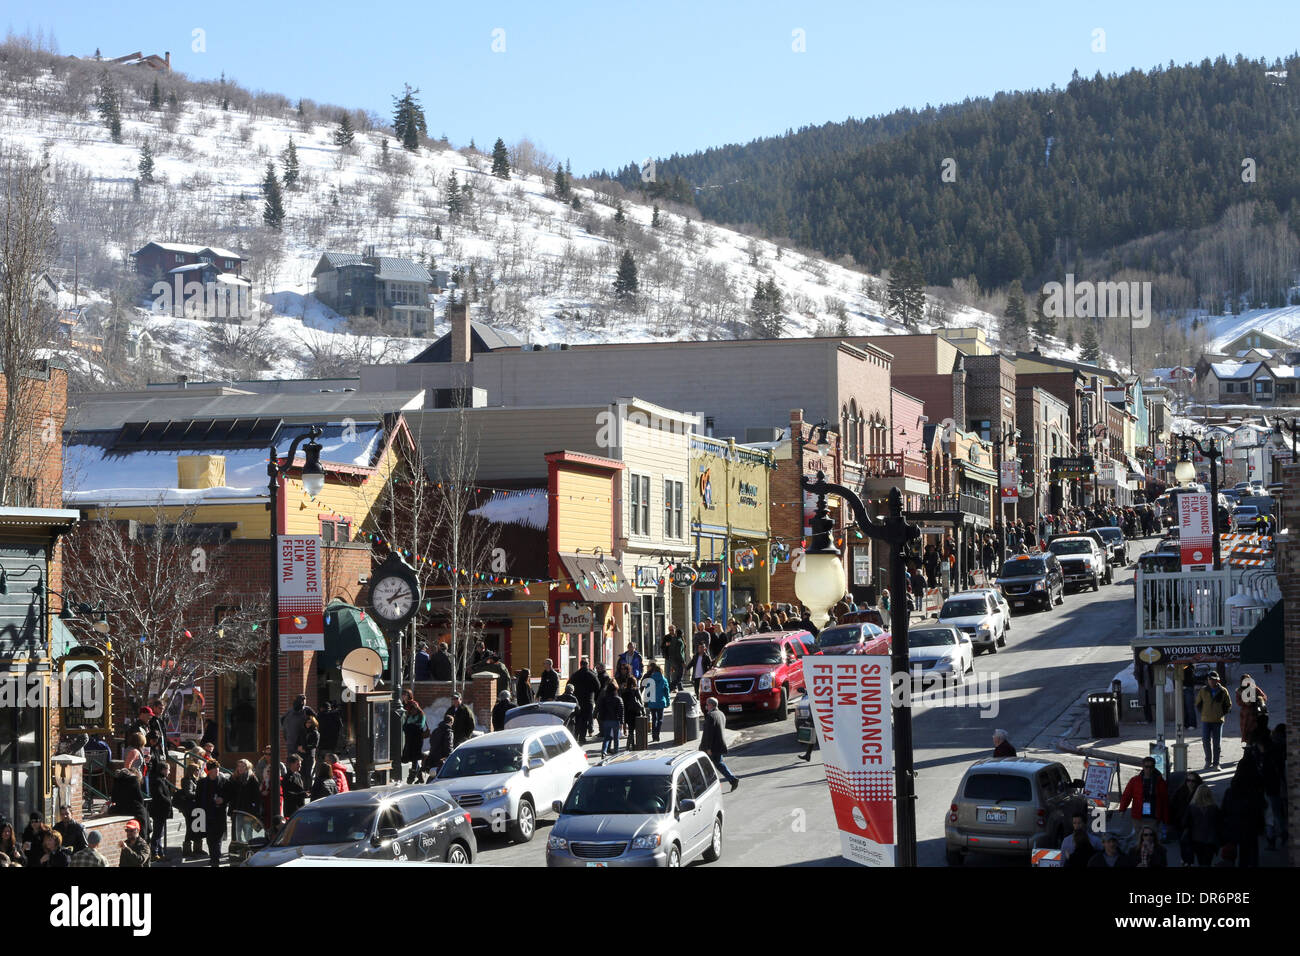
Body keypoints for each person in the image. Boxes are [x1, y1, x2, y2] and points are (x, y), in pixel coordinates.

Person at [1195, 671, 1232, 769]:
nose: (1211, 681)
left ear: (1217, 680)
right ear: (1208, 680)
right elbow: (1198, 703)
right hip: (1206, 720)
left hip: (1218, 721)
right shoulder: (1203, 690)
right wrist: (1203, 712)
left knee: (1217, 743)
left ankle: (1216, 763)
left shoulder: (1223, 690)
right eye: (1210, 679)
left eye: (1213, 680)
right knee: (1205, 741)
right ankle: (1208, 761)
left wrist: (1221, 713)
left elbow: (1228, 704)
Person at [700, 697, 739, 791]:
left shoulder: (711, 716)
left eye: (707, 704)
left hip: (711, 747)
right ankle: (732, 779)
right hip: (719, 745)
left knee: (704, 765)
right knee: (718, 763)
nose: (706, 707)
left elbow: (709, 733)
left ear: (711, 705)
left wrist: (708, 748)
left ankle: (709, 785)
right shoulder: (721, 714)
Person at [196, 760, 229, 867]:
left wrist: (223, 799)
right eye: (214, 771)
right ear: (209, 771)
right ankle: (213, 857)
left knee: (218, 838)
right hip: (206, 814)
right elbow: (198, 798)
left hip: (219, 814)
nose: (217, 773)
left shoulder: (224, 781)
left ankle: (215, 859)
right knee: (210, 838)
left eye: (218, 771)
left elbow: (230, 794)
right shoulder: (202, 783)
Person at [1184, 784, 1222, 866]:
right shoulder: (1214, 808)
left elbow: (1185, 823)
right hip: (1210, 839)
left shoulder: (1191, 807)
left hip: (1197, 839)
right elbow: (1219, 823)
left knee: (1200, 860)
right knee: (1208, 861)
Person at [109, 767, 149, 844]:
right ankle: (145, 838)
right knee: (144, 813)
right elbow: (140, 797)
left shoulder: (117, 780)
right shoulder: (134, 780)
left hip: (120, 808)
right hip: (134, 807)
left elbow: (113, 799)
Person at [147, 753, 174, 861]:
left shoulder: (162, 780)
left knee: (160, 832)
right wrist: (168, 802)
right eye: (168, 770)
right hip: (159, 810)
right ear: (163, 770)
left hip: (161, 810)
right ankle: (155, 853)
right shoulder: (158, 781)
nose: (169, 772)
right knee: (158, 832)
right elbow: (159, 795)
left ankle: (160, 852)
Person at [570, 659, 601, 744]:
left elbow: (569, 684)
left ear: (580, 665)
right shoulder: (592, 675)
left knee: (578, 718)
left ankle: (576, 735)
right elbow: (598, 686)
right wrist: (592, 692)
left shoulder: (575, 674)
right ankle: (582, 737)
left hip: (578, 700)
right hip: (588, 700)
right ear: (587, 664)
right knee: (585, 719)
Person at [641, 661, 670, 744]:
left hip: (652, 702)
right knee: (660, 719)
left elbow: (648, 692)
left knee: (654, 718)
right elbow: (666, 692)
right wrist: (668, 702)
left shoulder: (650, 679)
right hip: (661, 701)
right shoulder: (664, 680)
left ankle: (654, 736)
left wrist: (646, 701)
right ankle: (657, 733)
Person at [1236, 675, 1268, 745]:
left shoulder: (1255, 688)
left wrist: (1258, 699)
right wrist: (1245, 702)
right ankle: (1248, 748)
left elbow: (1264, 697)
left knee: (1254, 733)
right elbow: (1238, 702)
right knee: (1246, 733)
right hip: (1245, 716)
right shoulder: (1239, 690)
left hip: (1255, 715)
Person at [401, 697, 427, 783]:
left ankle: (411, 777)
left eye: (414, 708)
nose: (412, 710)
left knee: (415, 757)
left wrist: (410, 726)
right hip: (409, 739)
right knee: (411, 757)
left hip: (417, 740)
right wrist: (411, 726)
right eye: (411, 708)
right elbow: (404, 727)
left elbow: (420, 726)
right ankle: (420, 777)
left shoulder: (421, 715)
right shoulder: (409, 715)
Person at [422, 712, 455, 777]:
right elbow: (449, 746)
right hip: (442, 759)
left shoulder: (435, 730)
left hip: (433, 757)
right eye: (452, 723)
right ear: (451, 722)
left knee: (434, 776)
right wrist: (451, 757)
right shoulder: (448, 732)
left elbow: (431, 742)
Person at [596, 682, 624, 757]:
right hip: (615, 720)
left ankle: (604, 751)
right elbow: (621, 712)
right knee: (616, 738)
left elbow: (601, 709)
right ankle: (616, 751)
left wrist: (601, 718)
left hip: (606, 720)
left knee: (607, 737)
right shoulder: (618, 699)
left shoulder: (604, 699)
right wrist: (622, 722)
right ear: (616, 690)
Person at [298, 715, 320, 787]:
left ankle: (309, 789)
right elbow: (298, 741)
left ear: (313, 723)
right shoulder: (302, 731)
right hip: (301, 754)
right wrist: (299, 747)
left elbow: (314, 745)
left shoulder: (315, 733)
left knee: (308, 773)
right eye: (307, 722)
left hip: (309, 755)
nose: (308, 724)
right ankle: (303, 788)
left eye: (310, 722)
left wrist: (304, 748)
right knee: (302, 772)